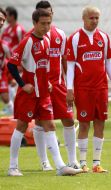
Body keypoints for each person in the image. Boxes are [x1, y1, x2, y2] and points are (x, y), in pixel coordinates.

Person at [7, 8, 82, 176]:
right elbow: (11, 64)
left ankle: (60, 166)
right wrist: (22, 84)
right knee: (21, 126)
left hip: (43, 93)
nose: (46, 27)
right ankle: (12, 166)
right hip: (29, 93)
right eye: (42, 24)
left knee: (50, 125)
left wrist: (47, 82)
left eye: (48, 23)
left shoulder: (47, 41)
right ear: (34, 23)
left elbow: (43, 66)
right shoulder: (27, 41)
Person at [66, 5, 111, 173]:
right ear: (84, 19)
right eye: (91, 18)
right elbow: (70, 66)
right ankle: (82, 163)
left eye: (97, 18)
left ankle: (97, 163)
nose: (95, 21)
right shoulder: (75, 38)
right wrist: (69, 89)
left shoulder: (103, 37)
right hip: (83, 89)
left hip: (101, 89)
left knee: (100, 123)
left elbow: (108, 63)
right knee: (83, 125)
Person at [31, 0, 79, 172]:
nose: (47, 17)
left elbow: (65, 60)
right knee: (40, 123)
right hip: (40, 87)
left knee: (68, 119)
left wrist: (69, 86)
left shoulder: (60, 34)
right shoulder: (31, 38)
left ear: (52, 14)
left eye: (49, 13)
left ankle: (73, 160)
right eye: (43, 14)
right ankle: (45, 162)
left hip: (58, 86)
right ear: (37, 17)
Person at [1, 6, 25, 114]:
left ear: (12, 16)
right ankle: (12, 107)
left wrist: (20, 63)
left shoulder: (20, 29)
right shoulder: (6, 30)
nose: (3, 21)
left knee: (13, 84)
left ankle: (14, 108)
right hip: (6, 62)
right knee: (11, 85)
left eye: (5, 17)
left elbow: (23, 45)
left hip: (14, 61)